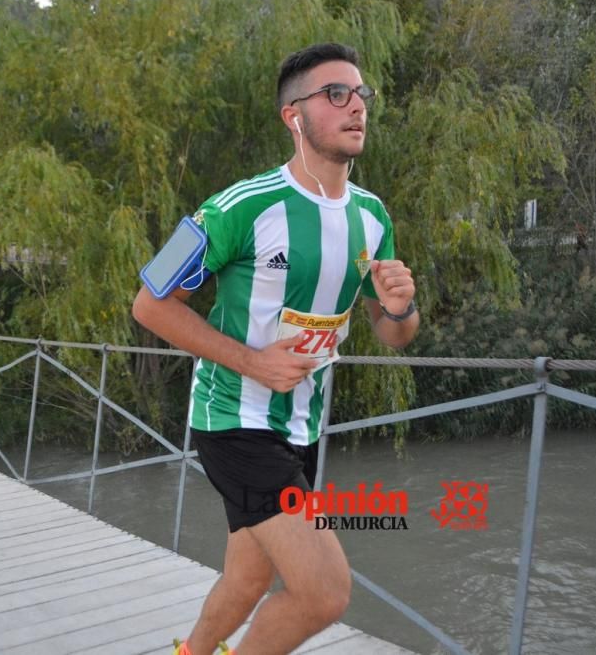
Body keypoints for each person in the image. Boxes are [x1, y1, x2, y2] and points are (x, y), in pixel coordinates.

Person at [132, 43, 419, 655]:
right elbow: (149, 303)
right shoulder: (239, 207)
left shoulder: (373, 217)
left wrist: (400, 307)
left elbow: (392, 335)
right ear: (295, 115)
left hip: (300, 427)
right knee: (324, 592)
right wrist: (253, 360)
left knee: (249, 576)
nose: (356, 106)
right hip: (234, 419)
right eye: (335, 94)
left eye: (360, 94)